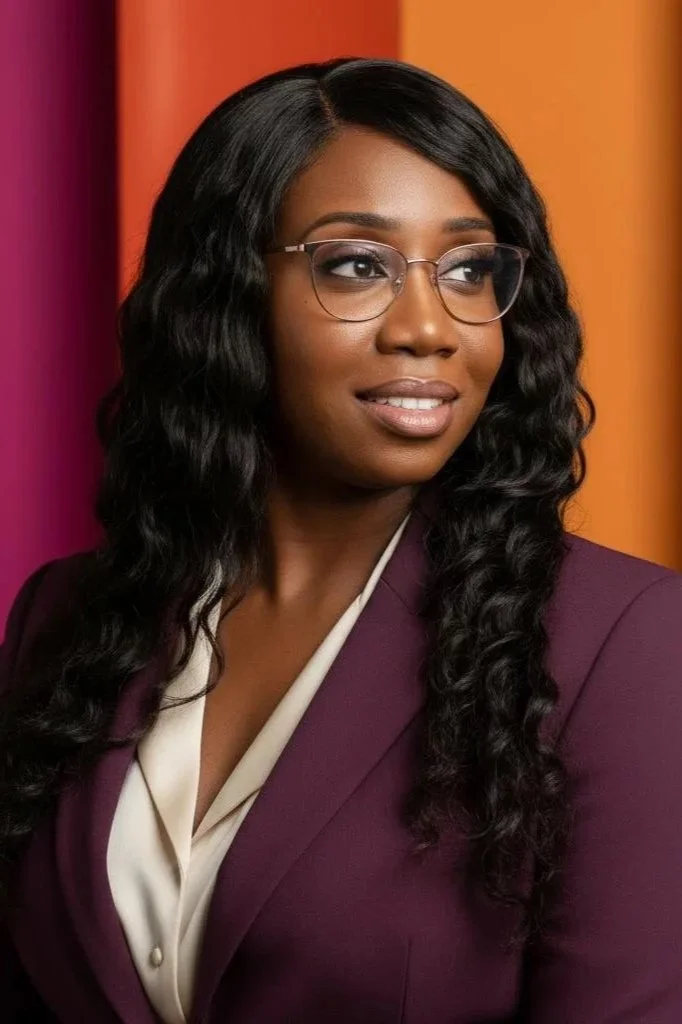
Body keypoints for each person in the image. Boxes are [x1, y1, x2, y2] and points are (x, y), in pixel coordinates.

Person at [1, 56, 681, 1024]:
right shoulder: (62, 621)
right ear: (224, 294)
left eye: (468, 269)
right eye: (355, 265)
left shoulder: (623, 642)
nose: (427, 326)